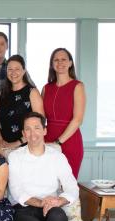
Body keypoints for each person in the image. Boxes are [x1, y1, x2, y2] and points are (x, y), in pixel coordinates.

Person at [8, 112, 79, 221]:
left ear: (45, 131)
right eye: (28, 129)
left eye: (37, 128)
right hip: (23, 209)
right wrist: (41, 203)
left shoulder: (57, 156)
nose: (33, 134)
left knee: (59, 217)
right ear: (23, 134)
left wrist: (58, 200)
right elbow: (17, 191)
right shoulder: (15, 156)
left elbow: (72, 187)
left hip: (50, 205)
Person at [42, 48, 86, 179]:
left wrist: (58, 142)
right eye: (56, 59)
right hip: (47, 140)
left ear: (70, 63)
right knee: (47, 183)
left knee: (67, 185)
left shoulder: (78, 86)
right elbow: (40, 117)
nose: (59, 62)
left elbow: (78, 119)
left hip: (70, 141)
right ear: (52, 64)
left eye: (63, 59)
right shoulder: (46, 88)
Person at [0, 54, 44, 149]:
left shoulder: (32, 92)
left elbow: (40, 123)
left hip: (26, 147)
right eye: (10, 69)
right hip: (4, 148)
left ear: (24, 71)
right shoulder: (2, 93)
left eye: (17, 69)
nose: (13, 72)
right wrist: (0, 140)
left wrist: (17, 143)